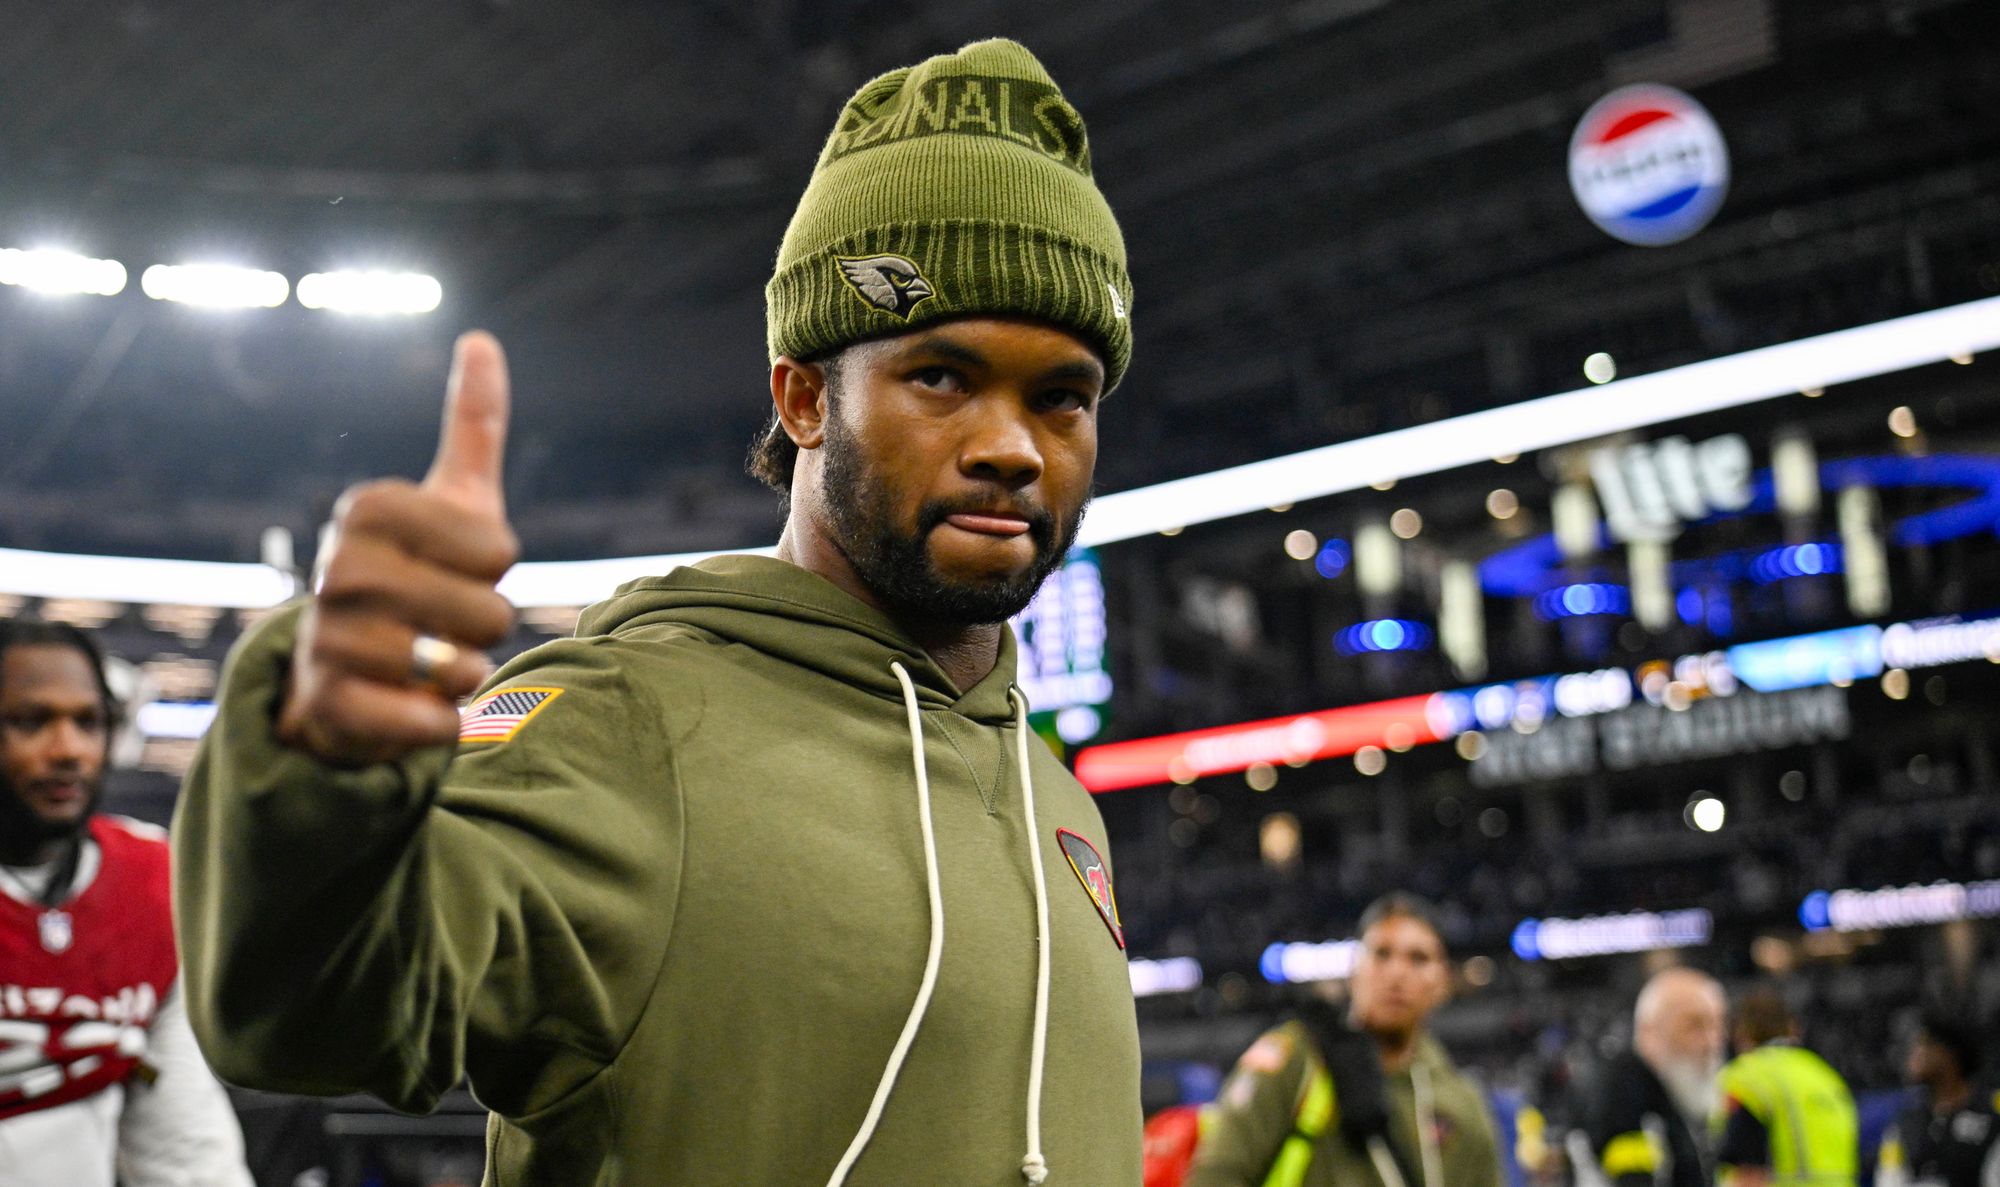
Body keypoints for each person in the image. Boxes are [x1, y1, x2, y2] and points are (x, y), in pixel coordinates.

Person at [173, 37, 1141, 1187]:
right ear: (803, 398)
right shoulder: (620, 722)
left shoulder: (1054, 796)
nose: (1012, 447)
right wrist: (318, 777)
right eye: (941, 376)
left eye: (1062, 396)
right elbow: (305, 1017)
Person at [0, 619, 254, 1187]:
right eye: (31, 721)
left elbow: (181, 1139)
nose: (69, 750)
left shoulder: (147, 880)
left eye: (88, 722)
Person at [1185, 893, 1504, 1187]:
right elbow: (1217, 1177)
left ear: (1442, 982)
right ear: (1355, 971)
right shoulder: (1296, 1060)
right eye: (1381, 954)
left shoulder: (1463, 1104)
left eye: (1418, 958)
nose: (1397, 973)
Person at [1577, 967, 1727, 1187]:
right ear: (1650, 1031)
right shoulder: (1624, 1092)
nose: (1712, 1041)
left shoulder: (1671, 1089)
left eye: (1717, 1023)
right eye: (1693, 1025)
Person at [1712, 988, 1859, 1187]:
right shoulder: (1825, 1075)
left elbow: (1746, 1164)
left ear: (1741, 1031)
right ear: (1793, 1027)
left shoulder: (1745, 1076)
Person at [1874, 1009, 2000, 1187]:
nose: (1914, 1054)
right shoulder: (1906, 1121)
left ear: (1948, 1052)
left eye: (1923, 1044)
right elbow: (1889, 1179)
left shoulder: (1992, 1112)